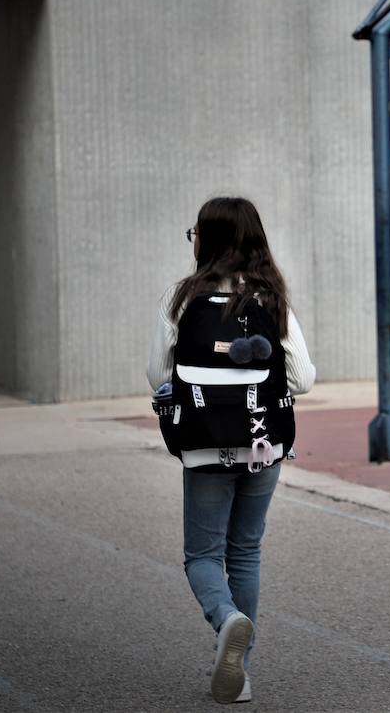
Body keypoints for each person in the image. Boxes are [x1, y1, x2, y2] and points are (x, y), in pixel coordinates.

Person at [147, 197, 315, 704]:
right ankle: (240, 675)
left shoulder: (181, 299)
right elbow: (303, 378)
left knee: (202, 554)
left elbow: (159, 377)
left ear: (206, 240)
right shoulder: (272, 299)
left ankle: (227, 621)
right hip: (264, 443)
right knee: (245, 551)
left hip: (203, 445)